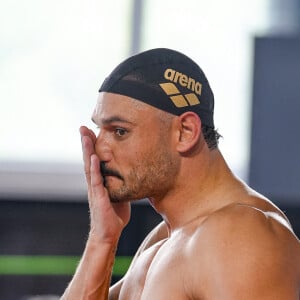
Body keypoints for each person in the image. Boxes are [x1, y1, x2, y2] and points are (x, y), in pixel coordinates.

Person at [61, 48, 300, 299]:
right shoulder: (162, 240)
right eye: (100, 130)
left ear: (185, 132)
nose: (100, 150)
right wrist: (102, 238)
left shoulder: (242, 234)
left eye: (120, 131)